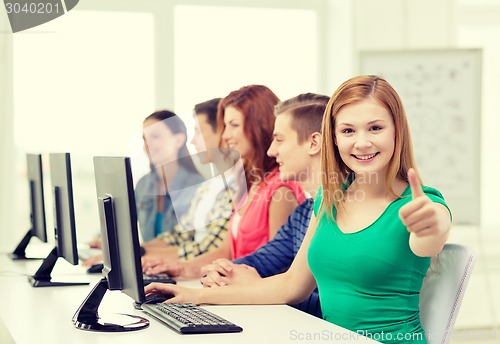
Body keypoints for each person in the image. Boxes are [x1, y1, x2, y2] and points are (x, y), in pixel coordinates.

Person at [144, 76, 452, 344]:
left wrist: (429, 227)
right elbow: (292, 286)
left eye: (375, 128)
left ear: (397, 130)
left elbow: (430, 236)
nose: (361, 142)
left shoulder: (421, 205)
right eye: (347, 131)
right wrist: (195, 297)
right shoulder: (329, 200)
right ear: (333, 138)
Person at [142, 85, 306, 278]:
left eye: (233, 125)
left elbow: (277, 268)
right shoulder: (251, 184)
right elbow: (226, 251)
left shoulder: (280, 189)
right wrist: (182, 268)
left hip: (259, 301)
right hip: (238, 292)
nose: (225, 135)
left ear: (259, 125)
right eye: (225, 126)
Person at [199, 93, 329, 319]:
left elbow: (337, 307)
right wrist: (222, 272)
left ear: (314, 143)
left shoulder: (341, 214)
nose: (272, 150)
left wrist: (258, 286)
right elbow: (261, 260)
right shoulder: (304, 213)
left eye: (279, 139)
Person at [140, 98, 238, 261]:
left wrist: (143, 255)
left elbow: (208, 248)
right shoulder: (208, 187)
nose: (193, 141)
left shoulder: (236, 187)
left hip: (200, 274)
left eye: (198, 132)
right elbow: (180, 234)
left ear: (221, 131)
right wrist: (138, 251)